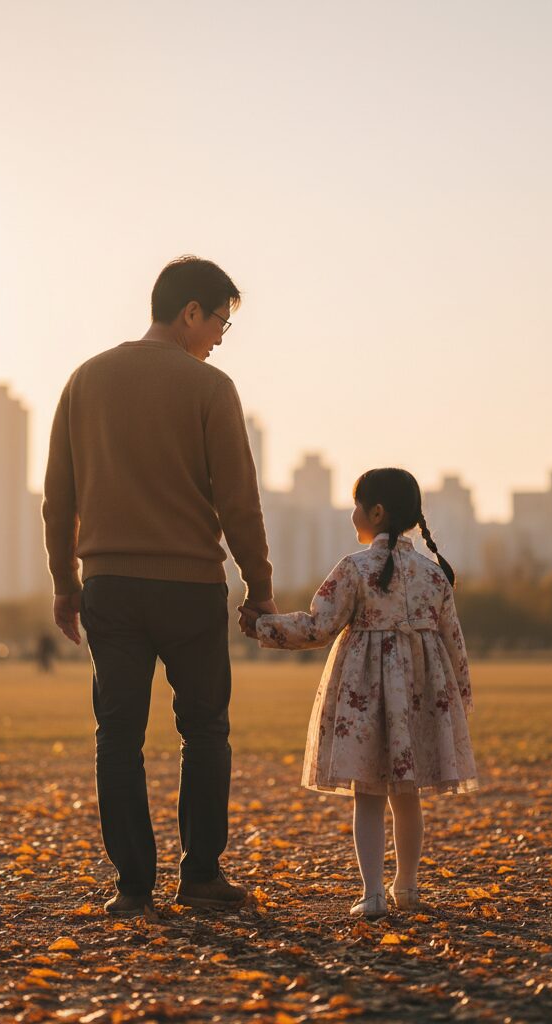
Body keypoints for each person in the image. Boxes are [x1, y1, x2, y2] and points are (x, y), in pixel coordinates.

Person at [43, 256, 276, 917]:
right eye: (220, 323)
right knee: (205, 731)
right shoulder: (210, 388)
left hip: (110, 586)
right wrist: (258, 587)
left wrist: (65, 583)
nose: (220, 338)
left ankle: (133, 888)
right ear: (190, 312)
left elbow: (58, 498)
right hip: (190, 587)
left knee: (117, 735)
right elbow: (238, 501)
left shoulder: (84, 380)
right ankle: (201, 875)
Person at [239, 468, 477, 918]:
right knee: (408, 797)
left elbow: (317, 627)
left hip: (364, 697)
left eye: (356, 505)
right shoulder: (435, 575)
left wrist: (263, 626)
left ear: (377, 512)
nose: (352, 516)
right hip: (419, 698)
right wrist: (459, 701)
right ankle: (407, 887)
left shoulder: (354, 568)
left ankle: (371, 894)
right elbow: (455, 645)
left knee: (367, 796)